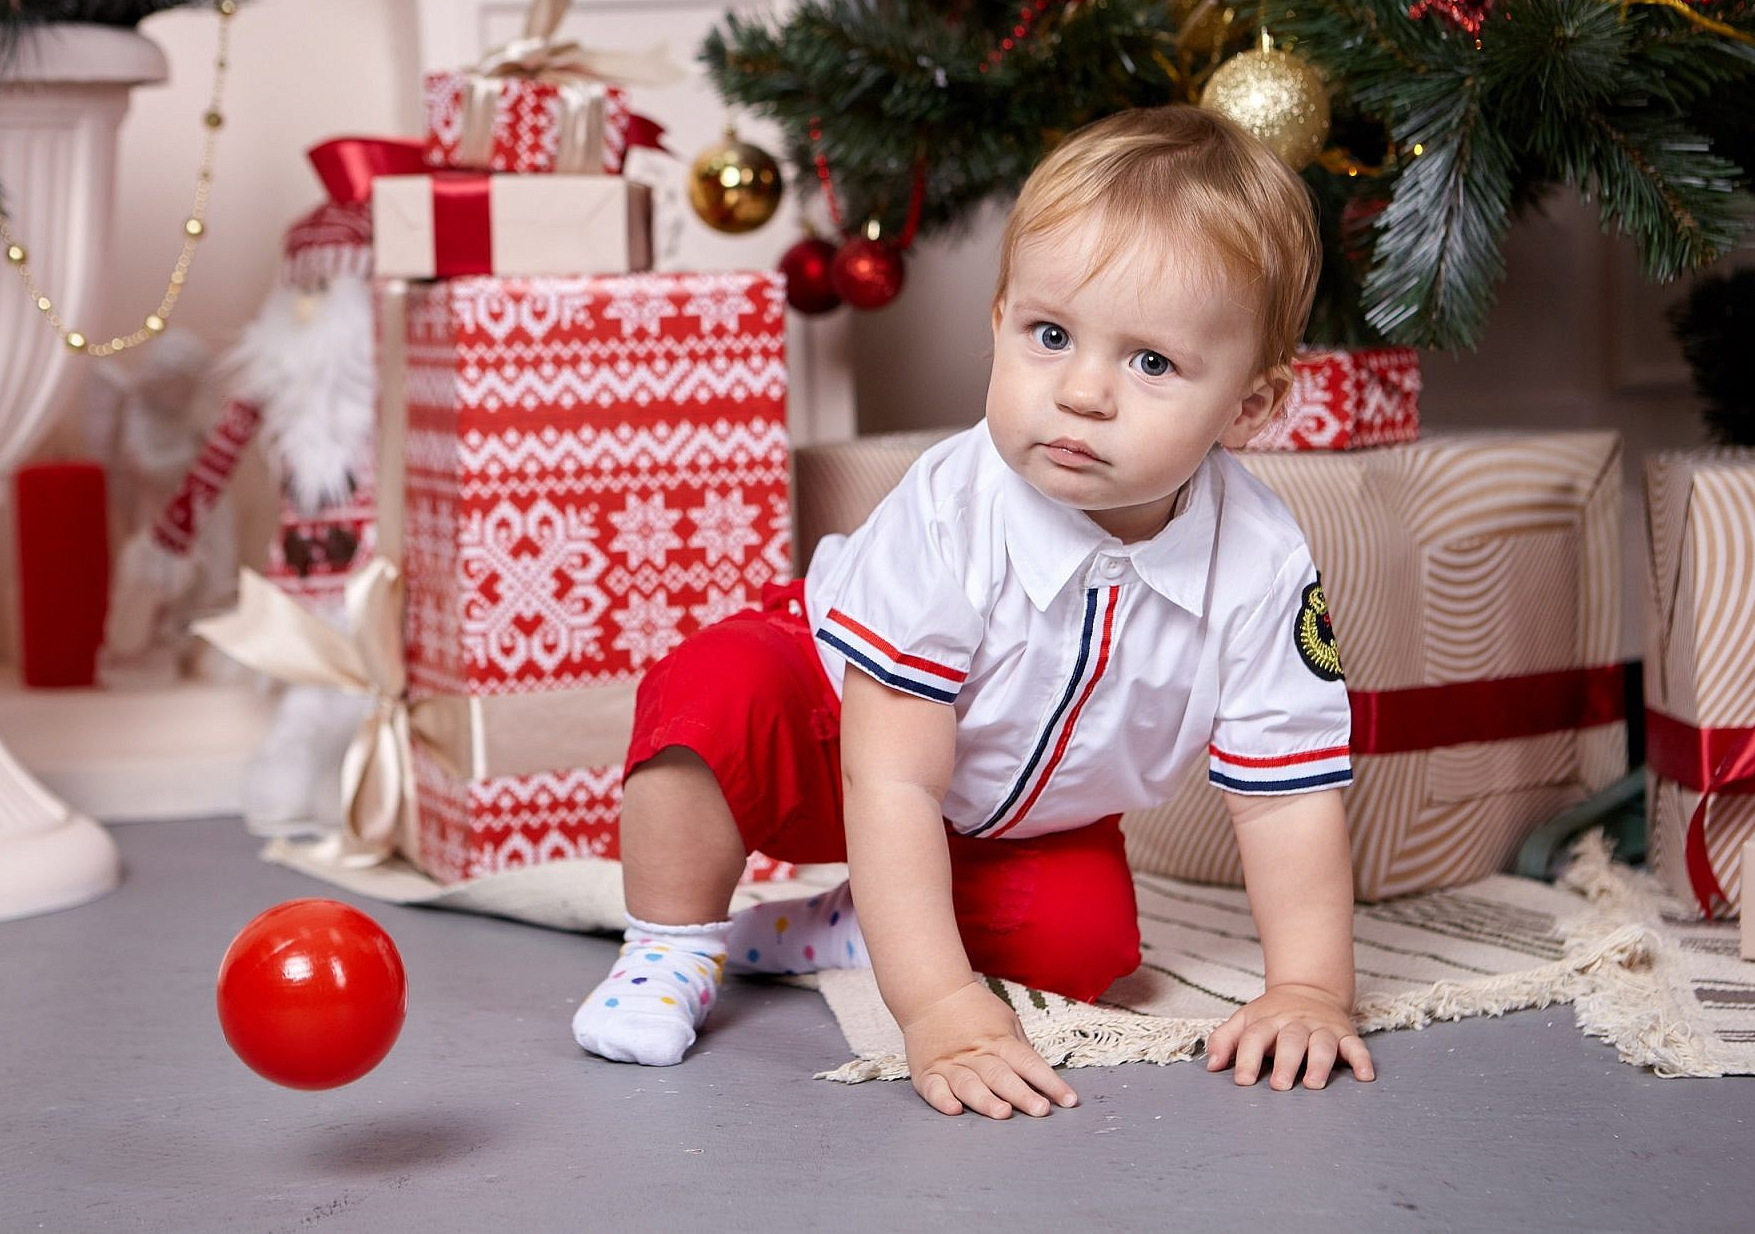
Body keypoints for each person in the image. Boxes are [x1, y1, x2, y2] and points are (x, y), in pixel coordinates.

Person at [571, 106, 1377, 1116]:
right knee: (711, 695)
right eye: (1050, 335)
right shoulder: (954, 509)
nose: (1082, 391)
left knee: (1085, 948)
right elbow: (891, 775)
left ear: (1248, 409)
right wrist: (939, 1004)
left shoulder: (1258, 563)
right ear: (997, 321)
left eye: (1151, 363)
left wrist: (1308, 987)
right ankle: (674, 944)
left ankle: (851, 921)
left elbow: (1285, 791)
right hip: (841, 734)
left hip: (1009, 816)